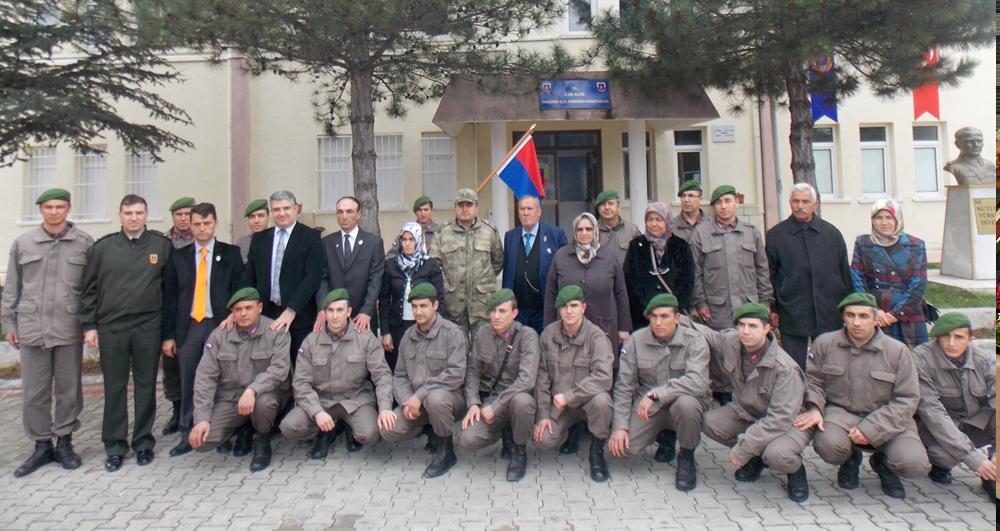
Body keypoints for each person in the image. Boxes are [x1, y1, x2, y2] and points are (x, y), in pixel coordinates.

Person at [794, 292, 929, 500]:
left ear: (876, 318)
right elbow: (814, 382)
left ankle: (884, 464)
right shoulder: (825, 344)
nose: (856, 322)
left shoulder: (898, 351)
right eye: (851, 315)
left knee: (914, 464)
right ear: (843, 318)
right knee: (829, 445)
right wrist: (814, 408)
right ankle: (849, 459)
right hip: (841, 414)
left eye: (863, 316)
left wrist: (870, 429)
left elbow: (907, 399)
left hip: (888, 418)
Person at [2, 188, 93, 477]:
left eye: (60, 206)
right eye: (48, 207)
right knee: (34, 392)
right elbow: (12, 287)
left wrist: (90, 325)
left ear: (69, 208)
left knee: (69, 389)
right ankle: (42, 445)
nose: (54, 212)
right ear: (40, 209)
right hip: (32, 328)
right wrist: (9, 324)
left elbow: (91, 290)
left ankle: (65, 441)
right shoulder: (24, 243)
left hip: (68, 327)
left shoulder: (84, 244)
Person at [80, 194, 173, 472]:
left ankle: (143, 442)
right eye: (128, 213)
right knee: (115, 387)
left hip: (148, 326)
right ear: (120, 215)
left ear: (147, 215)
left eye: (139, 213)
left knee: (146, 385)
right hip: (113, 327)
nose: (134, 218)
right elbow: (89, 290)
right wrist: (89, 326)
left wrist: (168, 332)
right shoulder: (103, 248)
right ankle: (115, 445)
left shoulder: (161, 246)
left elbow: (170, 294)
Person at [686, 302, 811, 501]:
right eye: (741, 325)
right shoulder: (732, 342)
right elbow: (706, 333)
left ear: (767, 328)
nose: (745, 331)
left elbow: (780, 419)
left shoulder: (785, 368)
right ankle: (757, 458)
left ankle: (795, 471)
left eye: (753, 326)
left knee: (777, 454)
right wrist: (677, 317)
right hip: (751, 413)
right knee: (710, 421)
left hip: (789, 423)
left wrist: (745, 447)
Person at [161, 202, 243, 456]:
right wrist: (169, 336)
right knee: (190, 381)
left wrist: (234, 316)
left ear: (215, 223)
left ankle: (220, 433)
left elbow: (239, 291)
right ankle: (188, 433)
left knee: (221, 381)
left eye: (207, 223)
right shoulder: (178, 256)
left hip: (220, 325)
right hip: (190, 327)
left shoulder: (230, 253)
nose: (202, 228)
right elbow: (170, 298)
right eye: (197, 224)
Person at [609, 294, 709, 492]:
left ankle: (687, 456)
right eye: (653, 316)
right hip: (650, 404)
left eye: (664, 316)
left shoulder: (695, 341)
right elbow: (624, 386)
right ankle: (664, 435)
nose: (658, 322)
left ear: (677, 318)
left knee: (686, 406)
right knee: (626, 447)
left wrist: (658, 394)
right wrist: (619, 426)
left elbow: (698, 381)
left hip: (682, 401)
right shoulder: (636, 340)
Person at [280, 289, 395, 458]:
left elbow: (382, 375)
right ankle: (325, 430)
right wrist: (316, 412)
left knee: (370, 434)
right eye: (330, 311)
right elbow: (300, 383)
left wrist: (385, 407)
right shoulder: (311, 341)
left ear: (349, 312)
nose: (335, 316)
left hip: (355, 400)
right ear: (324, 313)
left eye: (340, 310)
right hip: (322, 401)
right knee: (289, 427)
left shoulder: (365, 338)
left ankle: (347, 425)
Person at [188, 288, 290, 471]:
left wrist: (252, 390)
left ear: (259, 308)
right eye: (238, 309)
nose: (243, 314)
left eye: (248, 308)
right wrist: (202, 418)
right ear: (232, 313)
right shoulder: (219, 336)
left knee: (263, 404)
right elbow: (205, 378)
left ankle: (262, 438)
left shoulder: (276, 331)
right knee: (202, 442)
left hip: (264, 395)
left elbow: (279, 370)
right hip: (231, 398)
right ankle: (241, 426)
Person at [379, 283, 468, 479]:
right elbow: (400, 375)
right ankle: (429, 427)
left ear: (435, 305)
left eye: (423, 306)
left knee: (435, 400)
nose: (418, 311)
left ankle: (446, 450)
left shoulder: (453, 333)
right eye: (415, 306)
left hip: (449, 399)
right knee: (388, 430)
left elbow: (456, 374)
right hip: (415, 402)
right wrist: (406, 401)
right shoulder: (408, 336)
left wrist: (419, 396)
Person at [765, 183, 851, 369]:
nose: (800, 206)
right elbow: (769, 275)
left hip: (829, 311)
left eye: (805, 201)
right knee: (793, 367)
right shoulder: (776, 235)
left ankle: (828, 398)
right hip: (792, 311)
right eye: (796, 201)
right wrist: (773, 308)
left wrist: (847, 306)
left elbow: (844, 272)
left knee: (830, 364)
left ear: (816, 204)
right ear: (790, 203)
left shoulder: (831, 234)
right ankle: (797, 397)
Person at [534, 285, 614, 482]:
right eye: (564, 306)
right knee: (543, 440)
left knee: (602, 402)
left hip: (585, 402)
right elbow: (542, 376)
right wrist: (543, 414)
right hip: (560, 406)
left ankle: (596, 452)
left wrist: (569, 397)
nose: (569, 311)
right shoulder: (548, 335)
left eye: (574, 305)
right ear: (558, 310)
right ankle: (571, 430)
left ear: (583, 308)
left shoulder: (597, 338)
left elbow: (604, 377)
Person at [458, 289, 540, 482]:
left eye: (502, 311)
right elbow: (473, 371)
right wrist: (473, 404)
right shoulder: (483, 334)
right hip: (494, 398)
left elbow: (526, 381)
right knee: (467, 439)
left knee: (522, 403)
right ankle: (505, 431)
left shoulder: (527, 336)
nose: (496, 316)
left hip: (519, 397)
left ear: (514, 313)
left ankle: (519, 451)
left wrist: (495, 407)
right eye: (493, 311)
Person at [913, 313, 996, 500]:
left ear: (970, 340)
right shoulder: (921, 358)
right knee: (945, 456)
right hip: (937, 427)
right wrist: (973, 458)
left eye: (959, 337)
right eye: (945, 336)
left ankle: (992, 474)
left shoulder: (984, 360)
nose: (951, 342)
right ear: (937, 337)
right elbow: (932, 411)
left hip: (972, 422)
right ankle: (940, 466)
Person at [240, 190, 324, 364]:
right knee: (268, 367)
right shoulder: (260, 239)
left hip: (299, 316)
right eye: (277, 209)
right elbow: (250, 275)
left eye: (286, 208)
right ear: (271, 212)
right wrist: (247, 307)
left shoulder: (311, 237)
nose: (282, 213)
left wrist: (292, 309)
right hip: (267, 315)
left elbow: (313, 277)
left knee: (300, 368)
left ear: (296, 209)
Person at [544, 212, 631, 356]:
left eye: (589, 229)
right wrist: (548, 328)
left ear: (595, 231)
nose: (584, 233)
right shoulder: (561, 257)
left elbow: (621, 293)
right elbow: (550, 294)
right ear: (574, 232)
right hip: (568, 329)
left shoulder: (609, 258)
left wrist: (624, 327)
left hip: (604, 326)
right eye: (580, 229)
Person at [689, 185, 773, 330]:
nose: (723, 206)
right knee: (721, 349)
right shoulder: (701, 233)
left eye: (727, 201)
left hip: (749, 306)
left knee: (748, 348)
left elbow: (762, 269)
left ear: (737, 202)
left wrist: (765, 302)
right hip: (717, 310)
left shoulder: (751, 232)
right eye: (718, 202)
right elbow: (695, 272)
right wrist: (700, 303)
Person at [850, 198, 929, 348]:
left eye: (889, 217)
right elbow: (858, 279)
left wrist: (895, 314)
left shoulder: (916, 245)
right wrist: (873, 310)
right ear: (872, 220)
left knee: (913, 361)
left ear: (897, 219)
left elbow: (918, 283)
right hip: (874, 313)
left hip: (908, 312)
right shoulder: (863, 244)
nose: (884, 222)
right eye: (879, 218)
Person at [430, 188, 503, 337]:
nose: (465, 209)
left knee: (483, 352)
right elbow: (434, 265)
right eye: (460, 205)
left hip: (482, 306)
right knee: (456, 353)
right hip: (453, 306)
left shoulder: (489, 231)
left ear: (477, 207)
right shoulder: (443, 232)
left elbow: (498, 262)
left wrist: (482, 282)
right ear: (455, 208)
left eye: (469, 205)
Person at [379, 222, 445, 371]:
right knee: (398, 367)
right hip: (397, 326)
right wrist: (385, 332)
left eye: (411, 239)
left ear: (419, 240)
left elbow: (439, 299)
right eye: (404, 239)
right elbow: (384, 301)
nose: (407, 244)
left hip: (425, 325)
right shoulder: (390, 265)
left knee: (423, 367)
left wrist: (437, 330)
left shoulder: (430, 265)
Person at [316, 196, 384, 336]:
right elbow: (322, 279)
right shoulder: (326, 243)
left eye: (349, 211)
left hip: (362, 317)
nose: (344, 216)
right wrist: (323, 308)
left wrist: (366, 311)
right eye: (340, 212)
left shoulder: (373, 243)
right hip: (333, 316)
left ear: (358, 214)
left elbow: (375, 281)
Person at [500, 195, 568, 334]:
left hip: (544, 308)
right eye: (522, 209)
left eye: (529, 209)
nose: (525, 213)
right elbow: (508, 271)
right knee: (519, 347)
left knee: (545, 347)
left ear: (539, 212)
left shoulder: (555, 235)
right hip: (519, 310)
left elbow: (564, 270)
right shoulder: (510, 236)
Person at [623, 202, 695, 329]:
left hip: (673, 316)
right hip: (643, 317)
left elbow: (687, 282)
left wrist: (673, 308)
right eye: (650, 219)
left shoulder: (680, 246)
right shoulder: (636, 246)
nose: (653, 224)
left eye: (658, 220)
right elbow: (630, 281)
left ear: (667, 221)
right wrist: (647, 309)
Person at [160, 195, 197, 433]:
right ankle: (177, 410)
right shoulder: (163, 244)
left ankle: (197, 411)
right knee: (172, 366)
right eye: (179, 215)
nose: (183, 219)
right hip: (170, 309)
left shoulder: (203, 239)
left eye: (187, 214)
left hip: (197, 310)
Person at [594, 189, 641, 268]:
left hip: (626, 278)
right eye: (602, 204)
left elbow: (641, 256)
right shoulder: (591, 231)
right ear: (598, 209)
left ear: (619, 207)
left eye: (611, 204)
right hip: (601, 278)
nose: (607, 207)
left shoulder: (632, 230)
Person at [236, 199, 269, 263]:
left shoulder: (276, 241)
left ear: (268, 217)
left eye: (260, 216)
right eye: (252, 217)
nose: (256, 221)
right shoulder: (242, 244)